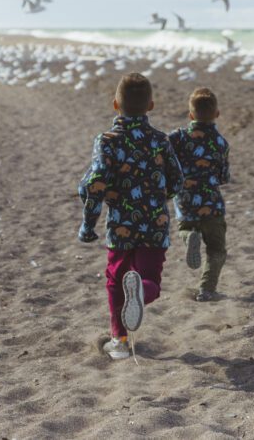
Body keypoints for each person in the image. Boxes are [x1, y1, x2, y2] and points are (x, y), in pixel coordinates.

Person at [77, 73, 183, 359]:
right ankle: (142, 293)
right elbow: (177, 180)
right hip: (155, 224)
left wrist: (88, 224)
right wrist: (160, 198)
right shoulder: (161, 140)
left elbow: (94, 183)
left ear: (115, 104)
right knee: (150, 279)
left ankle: (120, 340)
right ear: (151, 105)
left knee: (115, 280)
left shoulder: (107, 141)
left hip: (122, 224)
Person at [168, 88, 231, 302]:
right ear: (217, 114)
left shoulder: (177, 138)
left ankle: (189, 238)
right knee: (216, 249)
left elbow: (163, 156)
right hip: (212, 204)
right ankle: (207, 289)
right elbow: (223, 177)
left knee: (185, 227)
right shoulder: (221, 143)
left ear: (190, 115)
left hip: (185, 202)